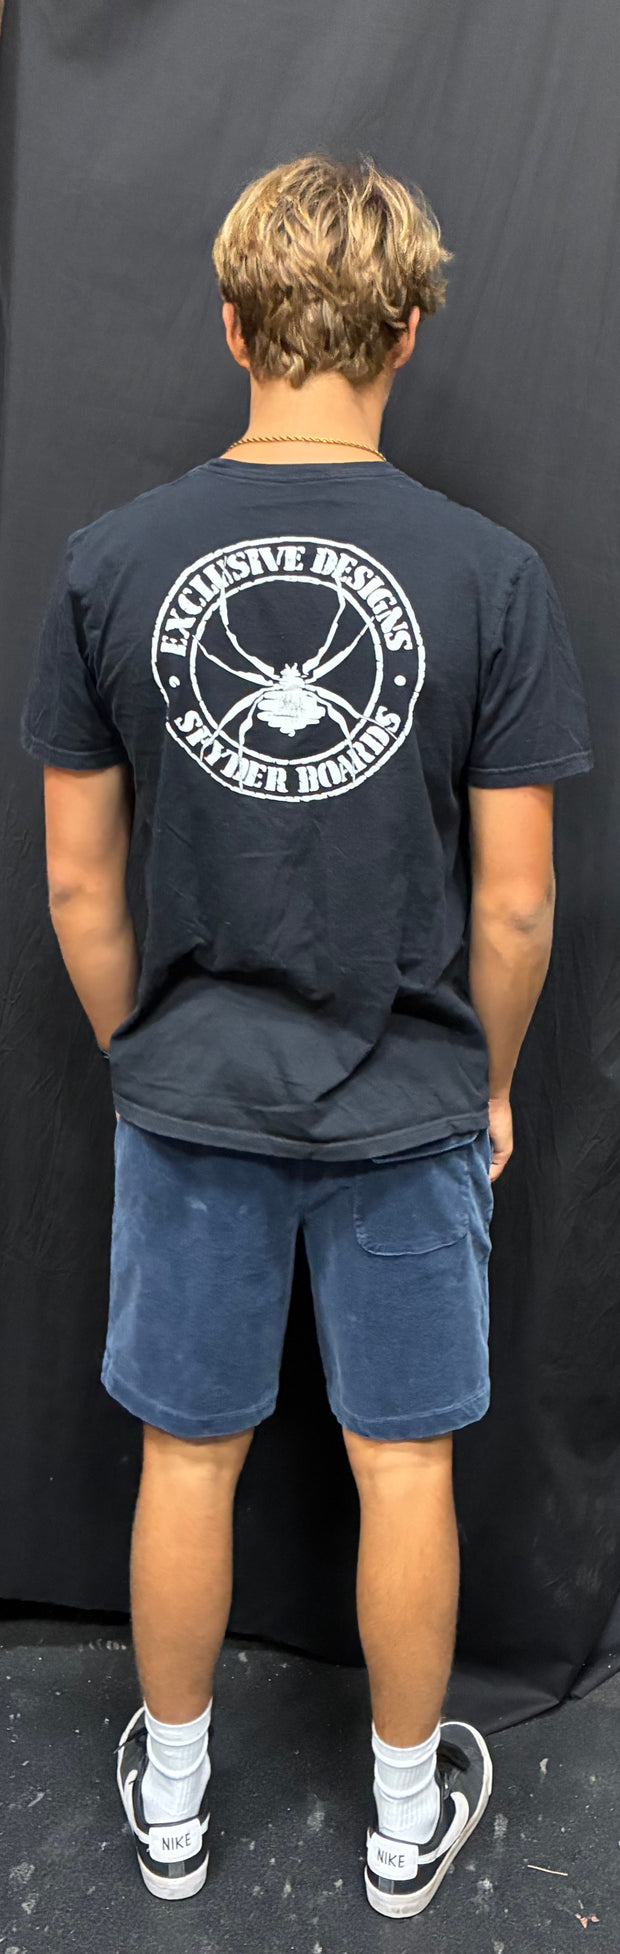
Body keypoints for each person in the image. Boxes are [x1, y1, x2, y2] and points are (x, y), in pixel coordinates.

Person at [20, 153, 593, 1918]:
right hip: (408, 1095)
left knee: (184, 1458)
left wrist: (145, 1050)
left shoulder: (111, 563)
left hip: (190, 1088)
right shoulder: (491, 577)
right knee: (403, 1465)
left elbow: (76, 880)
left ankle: (174, 1807)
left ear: (231, 322)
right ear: (408, 331)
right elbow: (517, 907)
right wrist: (487, 1079)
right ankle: (407, 1825)